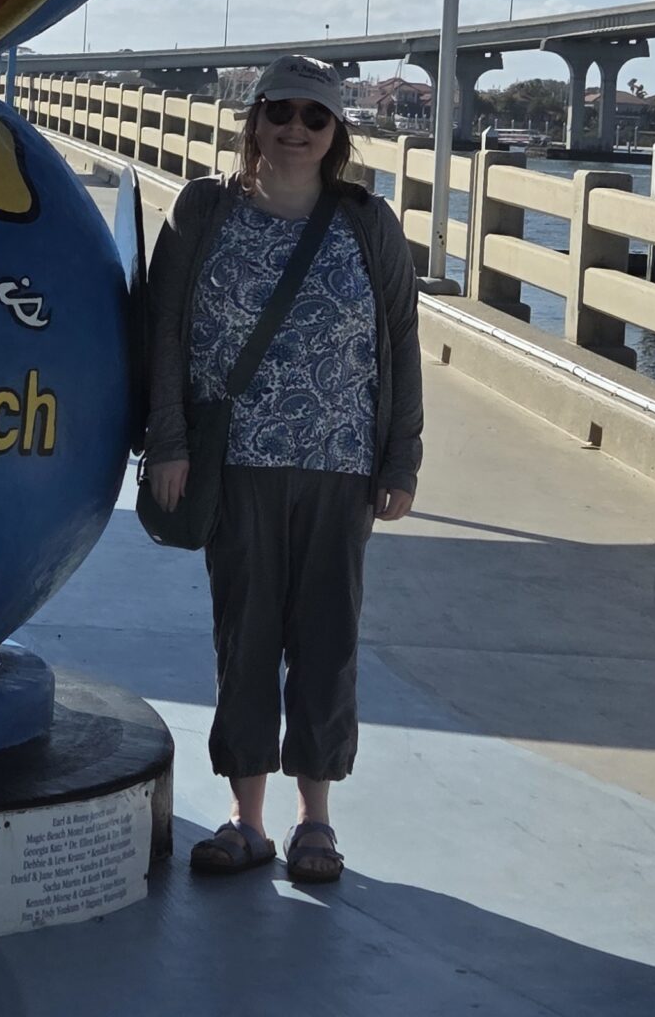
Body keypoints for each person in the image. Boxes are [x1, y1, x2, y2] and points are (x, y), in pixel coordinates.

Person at [144, 54, 422, 884]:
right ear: (254, 120)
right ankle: (247, 818)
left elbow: (400, 343)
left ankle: (315, 822)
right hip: (236, 462)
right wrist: (168, 442)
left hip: (340, 463)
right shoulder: (204, 210)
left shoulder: (368, 222)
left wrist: (400, 456)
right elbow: (164, 330)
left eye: (315, 117)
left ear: (336, 135)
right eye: (281, 113)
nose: (295, 129)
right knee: (246, 637)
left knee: (327, 639)